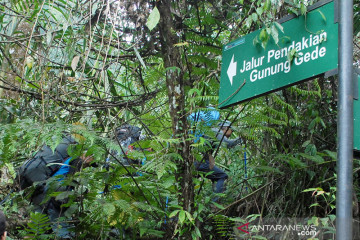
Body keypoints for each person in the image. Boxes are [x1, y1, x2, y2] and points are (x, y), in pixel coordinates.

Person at [195, 120, 242, 202]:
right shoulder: (217, 132)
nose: (231, 133)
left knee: (213, 176)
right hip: (199, 161)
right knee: (222, 176)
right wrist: (241, 138)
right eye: (232, 130)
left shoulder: (211, 131)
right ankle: (214, 203)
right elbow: (227, 144)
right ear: (227, 128)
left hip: (195, 161)